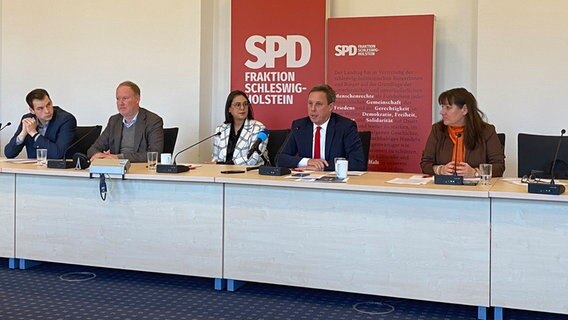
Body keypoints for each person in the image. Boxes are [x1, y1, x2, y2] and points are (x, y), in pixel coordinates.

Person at [276, 84, 366, 171]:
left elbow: (357, 163)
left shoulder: (345, 127)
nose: (313, 109)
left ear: (330, 107)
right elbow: (279, 159)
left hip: (335, 183)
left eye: (318, 104)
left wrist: (322, 166)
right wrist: (307, 162)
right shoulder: (300, 126)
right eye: (310, 103)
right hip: (305, 182)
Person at [420, 87, 505, 177]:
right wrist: (440, 170)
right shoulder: (437, 130)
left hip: (476, 189)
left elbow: (499, 167)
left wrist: (475, 172)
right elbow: (425, 164)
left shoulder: (486, 131)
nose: (442, 112)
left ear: (464, 109)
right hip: (444, 187)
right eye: (442, 107)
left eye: (448, 107)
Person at [87, 81, 163, 163]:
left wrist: (118, 157)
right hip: (116, 170)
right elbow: (92, 150)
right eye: (118, 99)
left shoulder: (152, 121)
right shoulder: (114, 121)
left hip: (140, 169)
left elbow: (155, 155)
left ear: (137, 99)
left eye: (125, 98)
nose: (120, 103)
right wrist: (99, 155)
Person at [4, 89, 77, 159]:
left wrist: (34, 134)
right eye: (40, 108)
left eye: (48, 104)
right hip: (34, 170)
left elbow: (58, 154)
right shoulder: (28, 119)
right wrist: (22, 134)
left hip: (58, 170)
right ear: (32, 110)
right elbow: (9, 153)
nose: (47, 111)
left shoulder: (66, 120)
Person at [212, 90, 267, 165]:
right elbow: (215, 157)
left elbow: (253, 158)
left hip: (250, 173)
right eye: (238, 105)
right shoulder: (220, 130)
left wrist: (228, 164)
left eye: (245, 104)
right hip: (223, 173)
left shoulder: (259, 128)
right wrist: (214, 164)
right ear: (229, 109)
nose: (242, 108)